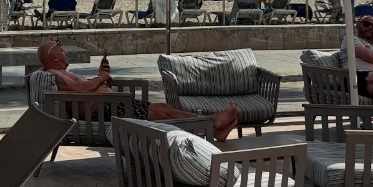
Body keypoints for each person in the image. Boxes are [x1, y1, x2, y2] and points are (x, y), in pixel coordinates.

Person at [37, 42, 240, 141]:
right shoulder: (54, 74)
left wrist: (101, 77)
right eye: (61, 49)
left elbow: (82, 88)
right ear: (53, 57)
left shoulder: (63, 73)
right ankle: (212, 125)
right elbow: (78, 90)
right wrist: (101, 78)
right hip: (104, 111)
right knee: (161, 115)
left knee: (163, 109)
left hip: (110, 107)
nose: (65, 52)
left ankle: (212, 126)